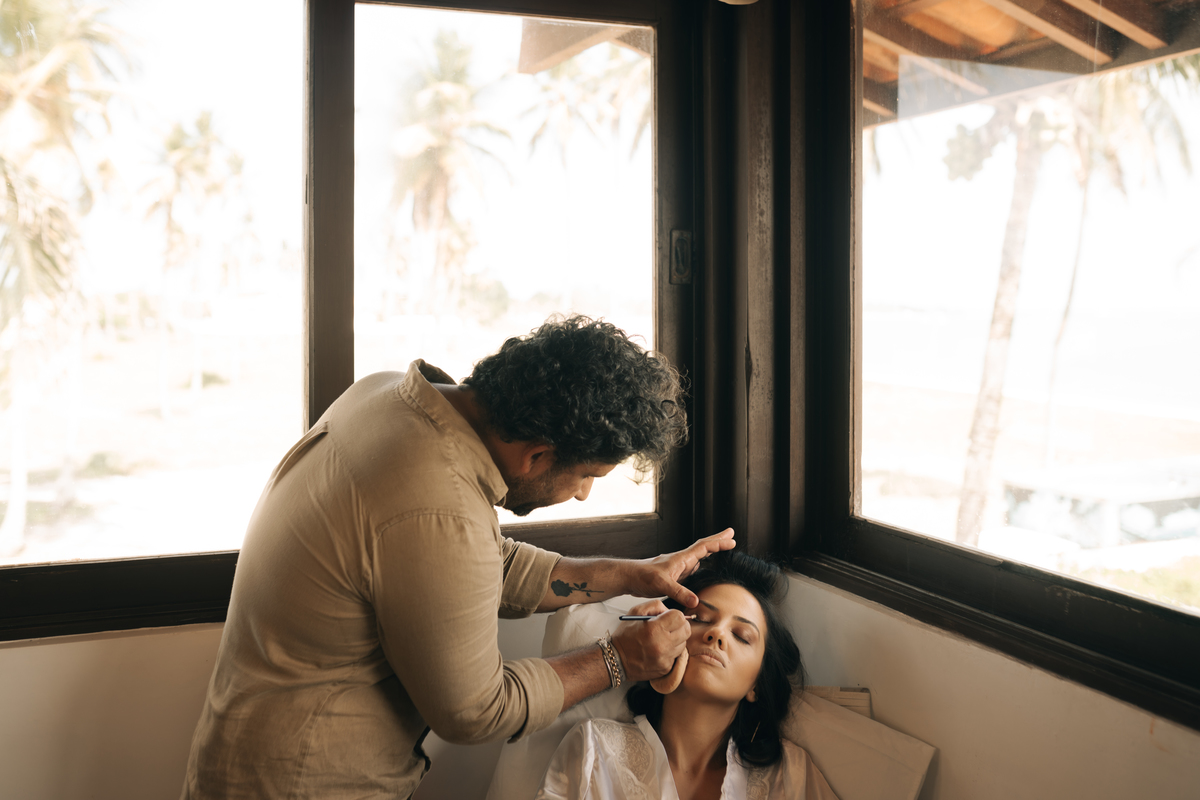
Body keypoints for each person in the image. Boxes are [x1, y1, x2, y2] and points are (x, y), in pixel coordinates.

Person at [180, 315, 736, 800]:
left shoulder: (385, 398)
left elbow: (472, 564)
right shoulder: (437, 504)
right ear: (537, 454)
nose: (585, 494)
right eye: (587, 475)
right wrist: (619, 660)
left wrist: (632, 576)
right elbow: (475, 709)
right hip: (303, 783)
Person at [536, 552, 839, 800]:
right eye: (702, 619)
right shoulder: (595, 750)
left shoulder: (789, 774)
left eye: (742, 636)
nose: (716, 633)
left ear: (757, 684)